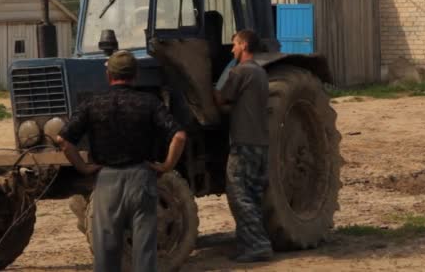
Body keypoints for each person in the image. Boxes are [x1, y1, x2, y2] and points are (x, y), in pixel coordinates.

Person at [57, 50, 187, 272]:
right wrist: (166, 166)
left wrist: (83, 167)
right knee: (144, 252)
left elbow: (63, 139)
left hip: (107, 181)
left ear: (109, 76)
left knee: (105, 254)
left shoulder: (93, 104)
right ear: (135, 76)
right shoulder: (149, 102)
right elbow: (179, 136)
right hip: (141, 178)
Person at [214, 29, 273, 263]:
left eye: (235, 44)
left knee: (239, 195)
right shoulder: (260, 72)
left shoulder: (240, 71)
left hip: (244, 143)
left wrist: (216, 87)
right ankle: (248, 244)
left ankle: (257, 246)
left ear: (245, 45)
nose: (232, 49)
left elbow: (220, 98)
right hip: (260, 143)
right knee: (254, 195)